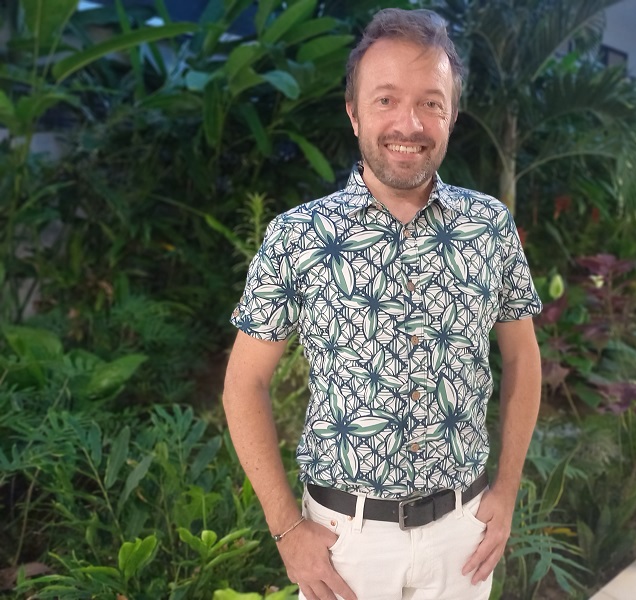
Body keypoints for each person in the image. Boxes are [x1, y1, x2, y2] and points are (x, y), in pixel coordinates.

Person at [223, 8, 542, 600]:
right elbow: (244, 383)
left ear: (451, 115)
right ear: (353, 112)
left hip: (463, 538)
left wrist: (507, 491)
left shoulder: (489, 227)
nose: (409, 123)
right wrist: (287, 529)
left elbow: (522, 359)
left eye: (430, 103)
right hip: (345, 545)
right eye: (386, 99)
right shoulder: (299, 237)